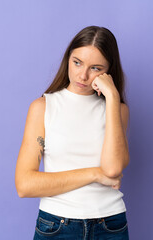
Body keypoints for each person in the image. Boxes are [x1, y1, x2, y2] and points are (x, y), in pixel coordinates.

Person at [15, 25, 130, 239]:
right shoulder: (43, 107)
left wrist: (112, 97)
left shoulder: (118, 110)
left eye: (96, 68)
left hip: (110, 225)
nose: (83, 75)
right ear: (68, 58)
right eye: (77, 62)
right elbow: (25, 185)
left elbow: (113, 169)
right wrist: (94, 174)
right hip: (56, 225)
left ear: (108, 71)